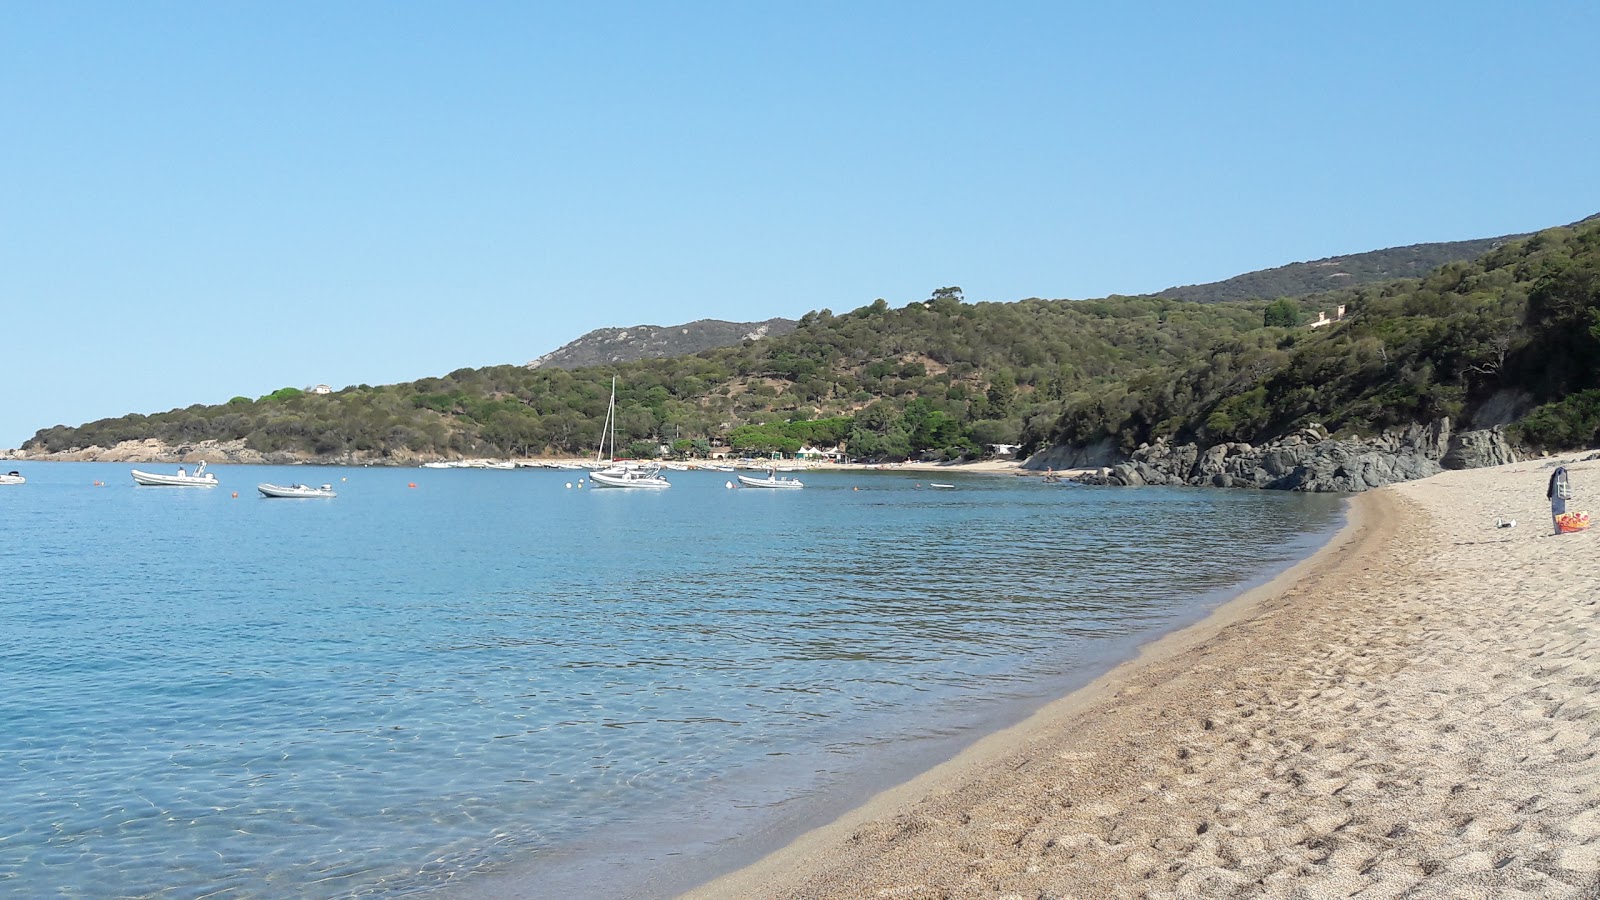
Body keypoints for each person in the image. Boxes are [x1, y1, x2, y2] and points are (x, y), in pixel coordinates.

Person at [1549, 465, 1573, 534]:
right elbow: (1565, 485)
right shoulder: (1562, 473)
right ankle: (1561, 529)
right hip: (1560, 495)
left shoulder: (1558, 474)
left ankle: (1559, 530)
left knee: (1557, 511)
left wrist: (1549, 494)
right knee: (1560, 511)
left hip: (1558, 496)